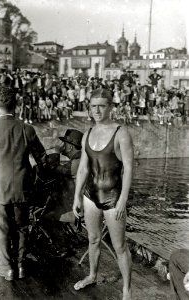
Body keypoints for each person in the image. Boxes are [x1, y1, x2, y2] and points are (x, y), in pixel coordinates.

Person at [72, 88, 133, 300]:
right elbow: (83, 169)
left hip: (113, 196)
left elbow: (128, 168)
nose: (96, 110)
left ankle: (127, 290)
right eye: (93, 106)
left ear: (110, 107)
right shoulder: (87, 133)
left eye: (101, 106)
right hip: (91, 194)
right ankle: (91, 275)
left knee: (120, 246)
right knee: (93, 238)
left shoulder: (120, 132)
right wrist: (77, 196)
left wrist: (123, 199)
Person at [0, 86, 48, 281]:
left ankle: (6, 267)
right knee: (22, 226)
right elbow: (42, 160)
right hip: (22, 188)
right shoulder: (27, 129)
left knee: (1, 228)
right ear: (16, 105)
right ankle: (21, 266)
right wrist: (36, 175)